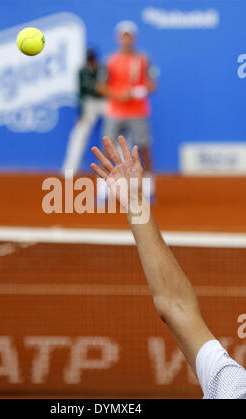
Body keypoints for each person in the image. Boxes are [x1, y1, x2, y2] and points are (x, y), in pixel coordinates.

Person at [91, 135, 246, 399]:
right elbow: (175, 305)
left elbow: (177, 306)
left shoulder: (232, 385)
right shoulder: (232, 384)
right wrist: (136, 204)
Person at [97, 21, 157, 200]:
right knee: (107, 149)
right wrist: (117, 94)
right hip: (115, 112)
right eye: (123, 36)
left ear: (134, 38)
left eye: (129, 36)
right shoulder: (110, 60)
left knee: (143, 150)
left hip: (138, 112)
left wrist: (136, 91)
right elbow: (101, 86)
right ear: (118, 38)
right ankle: (103, 191)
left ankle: (148, 190)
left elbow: (152, 85)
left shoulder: (144, 59)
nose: (126, 39)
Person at [62, 49, 105, 176]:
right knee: (79, 133)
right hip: (89, 103)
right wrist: (81, 113)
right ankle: (69, 169)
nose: (91, 62)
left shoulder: (102, 70)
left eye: (92, 59)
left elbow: (106, 89)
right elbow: (81, 94)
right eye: (89, 59)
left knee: (116, 131)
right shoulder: (81, 71)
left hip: (105, 102)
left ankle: (120, 169)